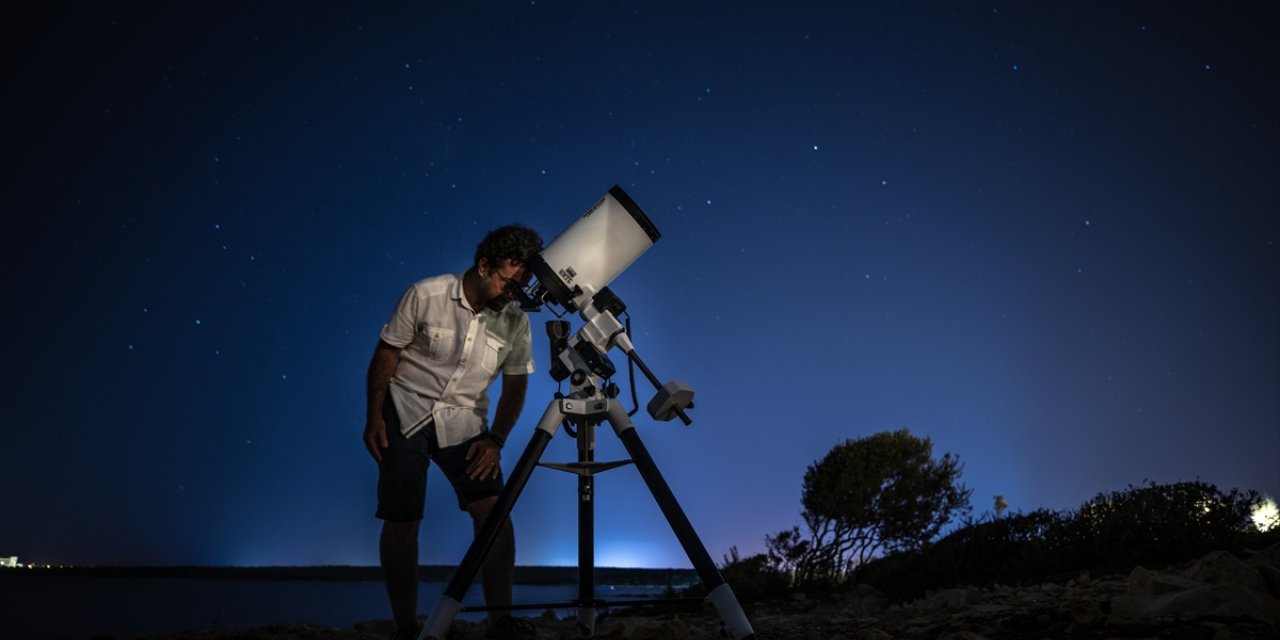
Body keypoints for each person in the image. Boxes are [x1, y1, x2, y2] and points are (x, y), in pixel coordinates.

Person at [363, 224, 543, 640]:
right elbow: (386, 354)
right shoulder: (425, 294)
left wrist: (495, 439)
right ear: (484, 266)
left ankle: (501, 623)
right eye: (509, 283)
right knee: (402, 519)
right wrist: (374, 416)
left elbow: (516, 385)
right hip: (405, 411)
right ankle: (406, 627)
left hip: (464, 421)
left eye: (522, 288)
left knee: (494, 513)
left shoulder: (516, 321)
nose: (514, 295)